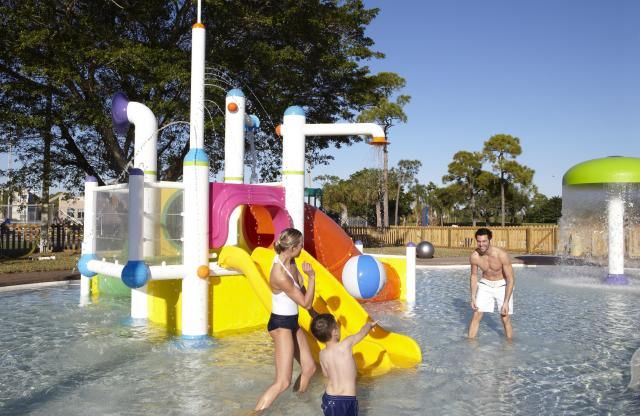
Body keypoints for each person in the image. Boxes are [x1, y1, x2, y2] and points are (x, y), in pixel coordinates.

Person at [254, 228, 317, 412]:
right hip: (281, 325)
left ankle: (296, 405)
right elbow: (305, 302)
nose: (303, 248)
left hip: (292, 323)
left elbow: (300, 290)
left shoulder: (292, 261)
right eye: (300, 245)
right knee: (283, 382)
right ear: (292, 247)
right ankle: (254, 413)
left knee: (309, 368)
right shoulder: (279, 273)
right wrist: (312, 277)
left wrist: (314, 314)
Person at [310, 313, 378, 416]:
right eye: (337, 326)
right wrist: (369, 325)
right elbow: (362, 333)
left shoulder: (322, 354)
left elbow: (326, 375)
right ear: (335, 332)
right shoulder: (345, 344)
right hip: (346, 399)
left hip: (329, 398)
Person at [467, 227, 515, 339]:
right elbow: (474, 276)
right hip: (485, 285)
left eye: (484, 241)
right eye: (479, 241)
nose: (481, 244)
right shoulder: (474, 256)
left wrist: (506, 301)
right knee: (476, 314)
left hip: (502, 285)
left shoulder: (501, 255)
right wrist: (473, 296)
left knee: (504, 317)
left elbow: (510, 279)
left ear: (490, 240)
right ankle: (470, 344)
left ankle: (509, 344)